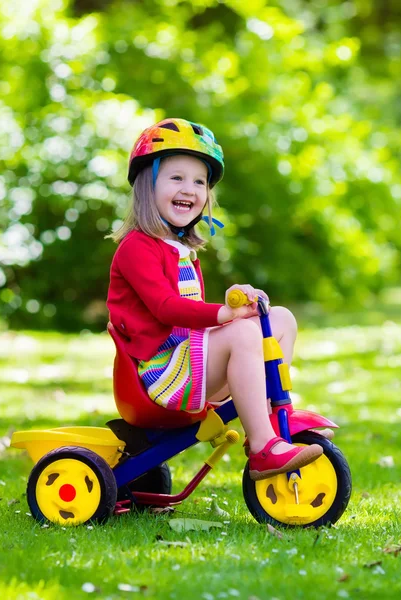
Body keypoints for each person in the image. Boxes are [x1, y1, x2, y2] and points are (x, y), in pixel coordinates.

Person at [106, 117, 323, 481]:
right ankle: (262, 447)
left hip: (186, 364)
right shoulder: (136, 248)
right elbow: (167, 307)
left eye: (199, 181)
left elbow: (193, 309)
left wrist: (234, 305)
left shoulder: (182, 250)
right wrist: (226, 315)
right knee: (240, 334)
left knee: (281, 319)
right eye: (176, 177)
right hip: (159, 376)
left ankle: (270, 414)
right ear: (147, 185)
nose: (189, 188)